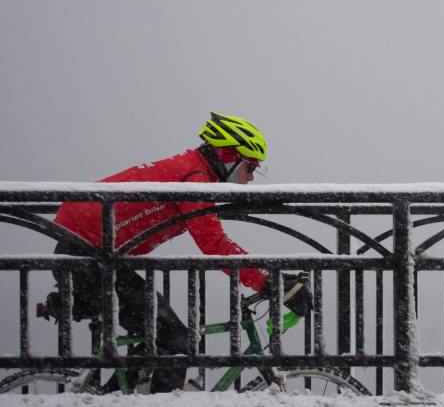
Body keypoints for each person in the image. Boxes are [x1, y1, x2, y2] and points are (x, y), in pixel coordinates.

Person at [51, 112, 312, 392]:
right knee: (175, 339)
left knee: (165, 334)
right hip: (86, 258)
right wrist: (272, 283)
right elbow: (215, 245)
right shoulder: (193, 179)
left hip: (92, 256)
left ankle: (117, 396)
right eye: (250, 167)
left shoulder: (193, 171)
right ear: (228, 156)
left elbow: (214, 238)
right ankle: (144, 398)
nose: (250, 178)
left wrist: (271, 280)